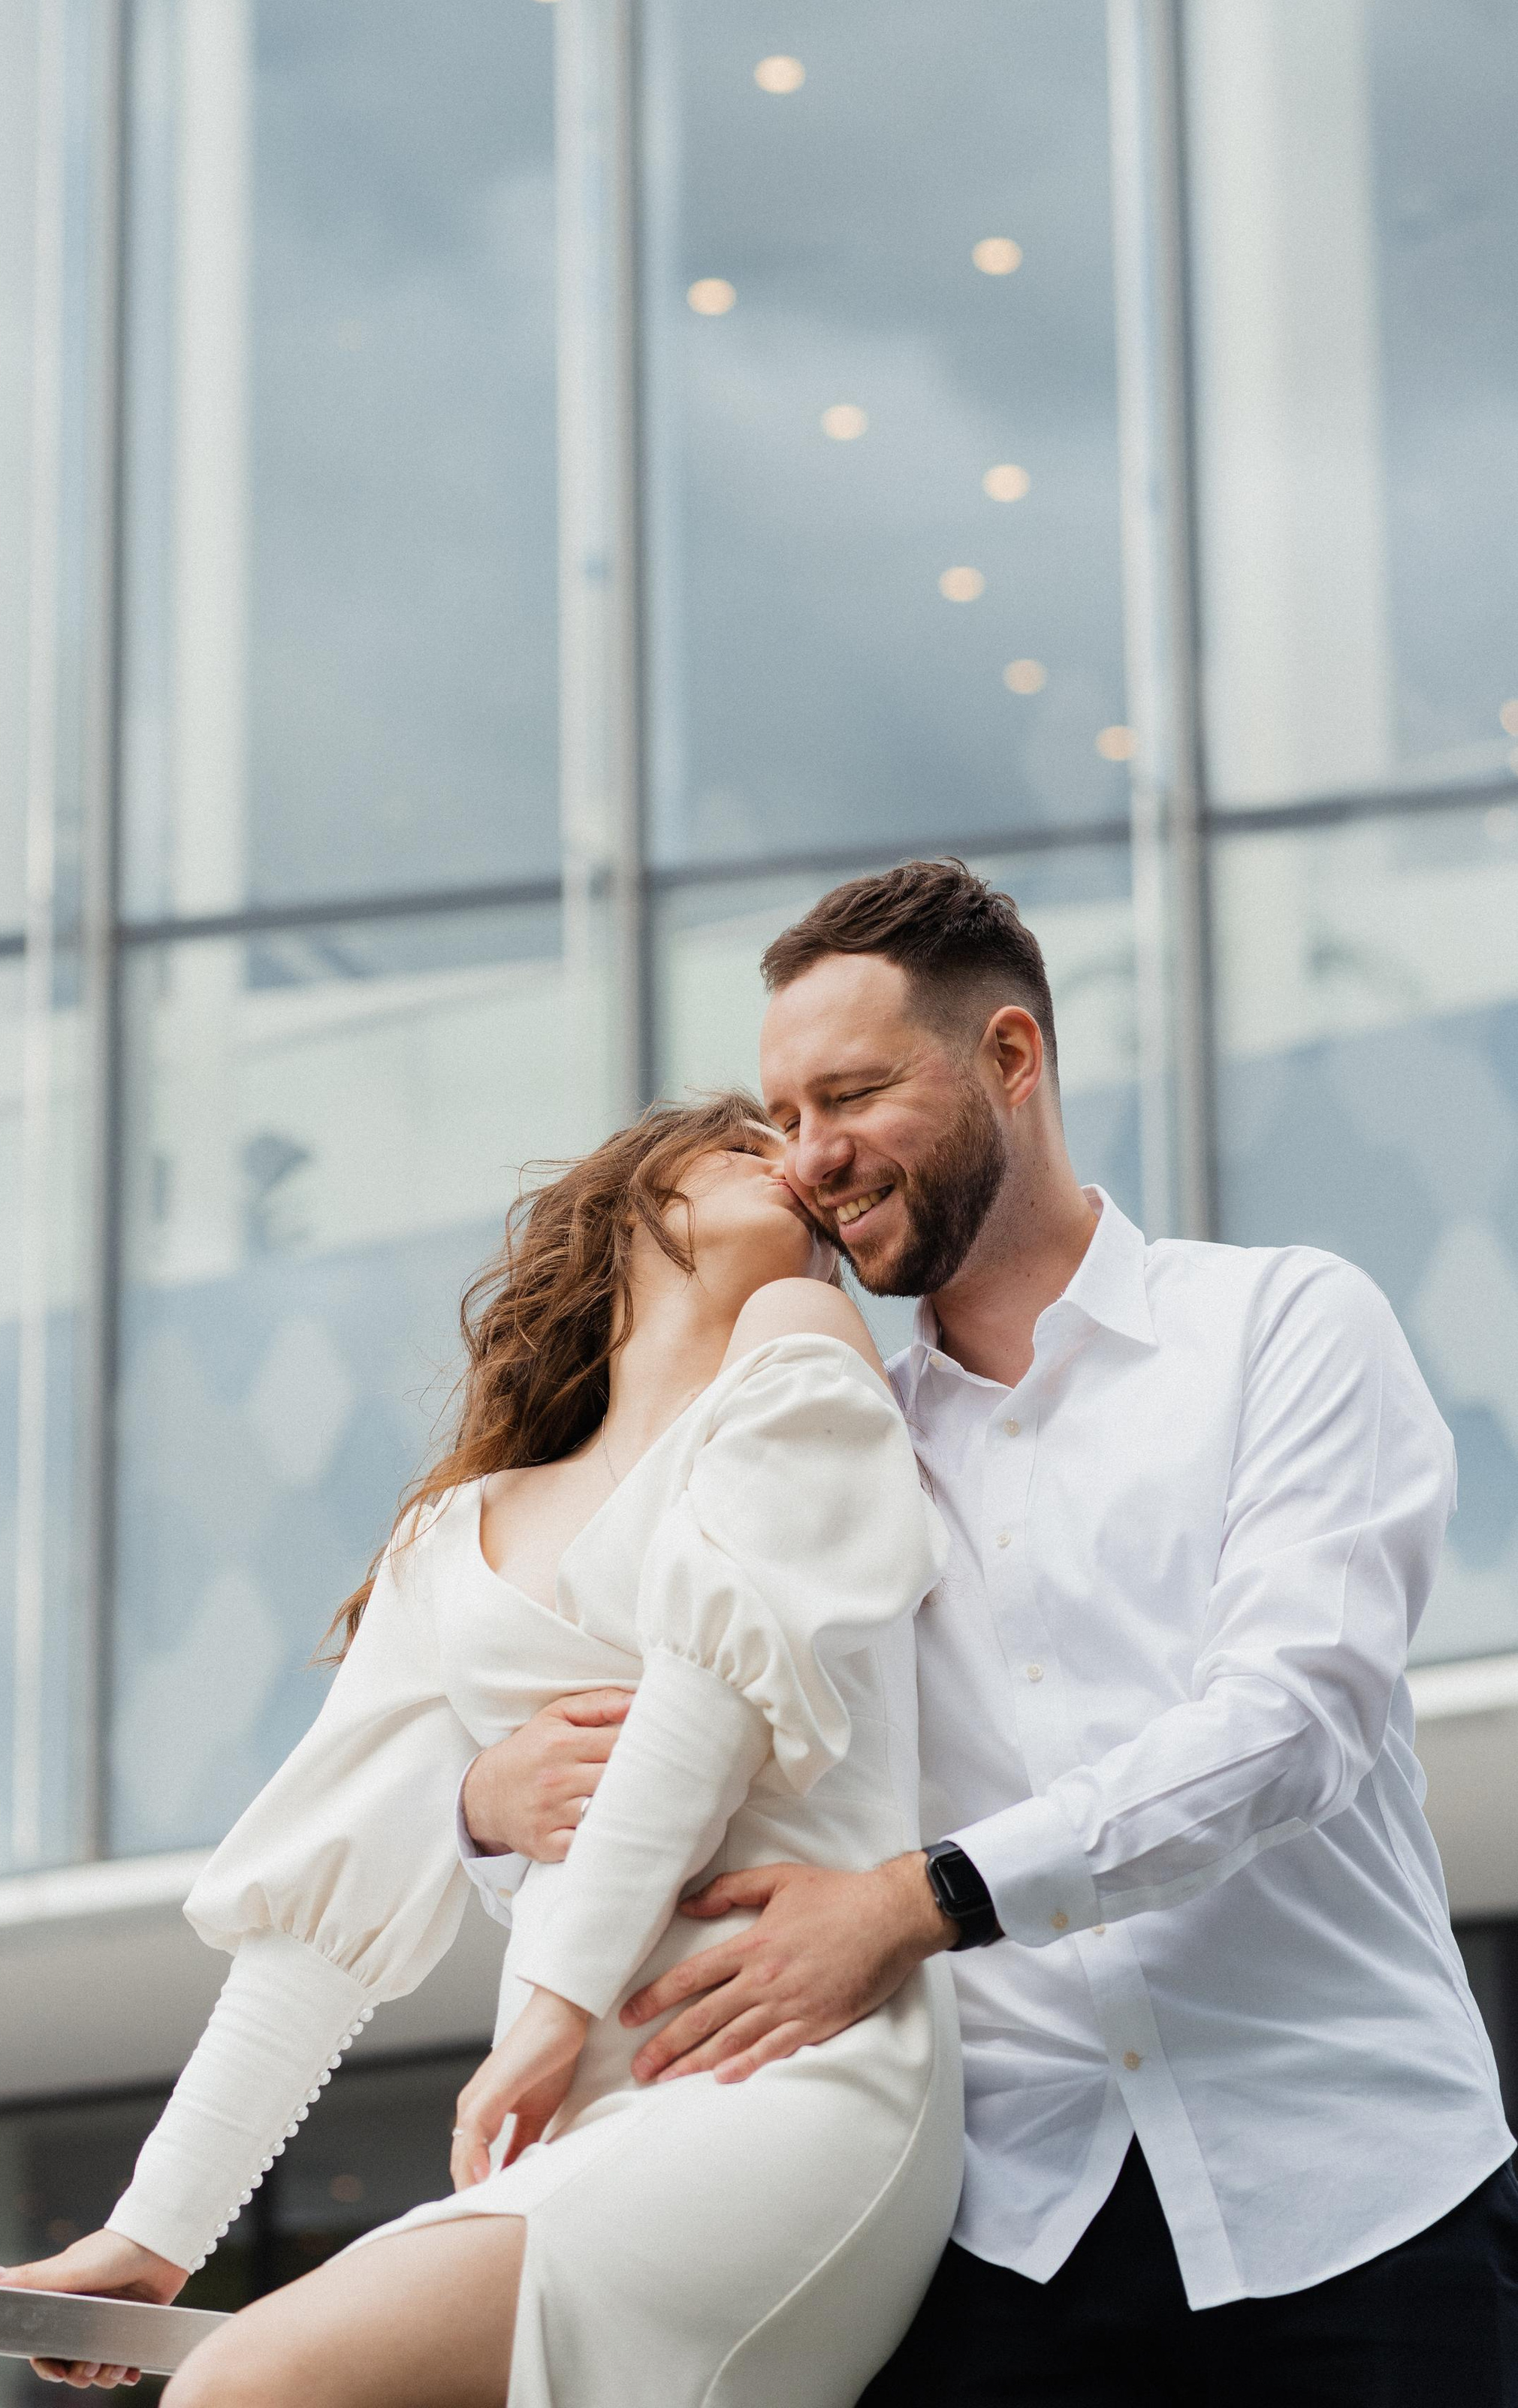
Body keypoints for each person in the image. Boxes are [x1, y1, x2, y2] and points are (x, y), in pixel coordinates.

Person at [457, 860, 1518, 2403]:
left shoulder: (1282, 1324)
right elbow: (681, 1783)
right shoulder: (828, 1451)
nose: (811, 1161)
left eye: (851, 1096)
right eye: (787, 1120)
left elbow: (1291, 1720)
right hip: (1004, 2244)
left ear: (1007, 1060)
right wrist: (487, 1807)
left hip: (1353, 2211)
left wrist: (920, 1900)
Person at [0, 1091, 963, 2408]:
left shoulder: (802, 1341)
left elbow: (704, 1707)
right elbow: (322, 1923)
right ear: (635, 1209)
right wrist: (156, 2238)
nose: (795, 1164)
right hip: (569, 2111)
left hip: (784, 2074)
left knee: (250, 2386)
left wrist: (549, 2013)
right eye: (744, 1145)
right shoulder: (453, 1540)